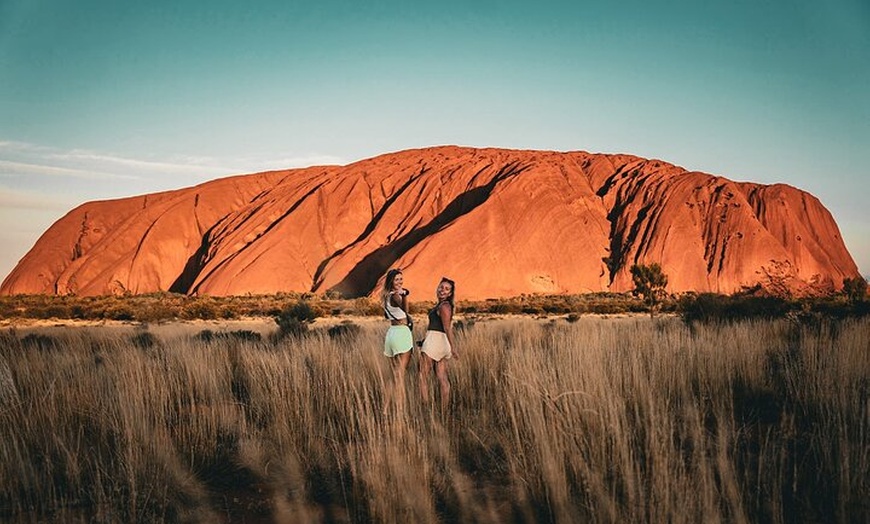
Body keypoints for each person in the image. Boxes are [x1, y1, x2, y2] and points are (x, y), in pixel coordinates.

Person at [419, 277, 458, 417]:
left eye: (447, 289)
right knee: (441, 377)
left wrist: (454, 348)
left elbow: (447, 328)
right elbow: (440, 327)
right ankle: (444, 412)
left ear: (450, 293)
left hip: (436, 342)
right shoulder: (442, 305)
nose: (442, 290)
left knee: (422, 376)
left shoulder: (444, 306)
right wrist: (425, 340)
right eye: (441, 287)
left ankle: (426, 410)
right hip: (439, 342)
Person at [381, 268, 413, 414]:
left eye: (401, 279)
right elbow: (406, 309)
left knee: (393, 375)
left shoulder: (386, 295)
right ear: (391, 282)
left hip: (391, 333)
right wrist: (405, 295)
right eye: (397, 280)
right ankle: (400, 412)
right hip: (401, 333)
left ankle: (385, 409)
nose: (400, 282)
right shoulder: (395, 296)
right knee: (400, 375)